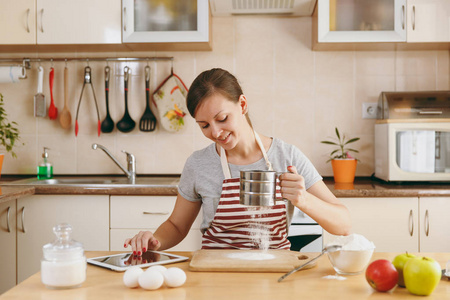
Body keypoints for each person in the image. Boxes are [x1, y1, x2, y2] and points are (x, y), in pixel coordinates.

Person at [124, 68, 351, 254]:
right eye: (204, 125)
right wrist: (155, 240)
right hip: (216, 275)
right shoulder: (198, 164)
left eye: (222, 119)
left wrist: (304, 200)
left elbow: (343, 224)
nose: (215, 132)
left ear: (242, 105)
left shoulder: (287, 156)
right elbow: (176, 226)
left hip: (274, 274)